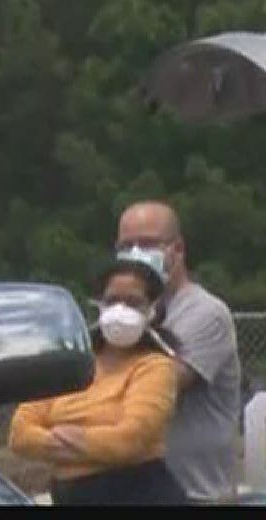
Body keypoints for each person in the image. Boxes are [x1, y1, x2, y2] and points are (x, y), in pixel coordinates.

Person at [9, 258, 190, 505]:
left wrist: (71, 438)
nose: (121, 310)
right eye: (113, 300)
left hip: (138, 493)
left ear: (153, 309)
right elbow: (20, 435)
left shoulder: (156, 367)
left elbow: (131, 440)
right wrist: (83, 442)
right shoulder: (69, 363)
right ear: (99, 304)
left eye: (133, 302)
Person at [115, 200, 243, 503]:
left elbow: (159, 385)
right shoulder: (121, 314)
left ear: (178, 249)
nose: (135, 253)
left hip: (196, 496)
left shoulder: (205, 313)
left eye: (147, 243)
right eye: (125, 245)